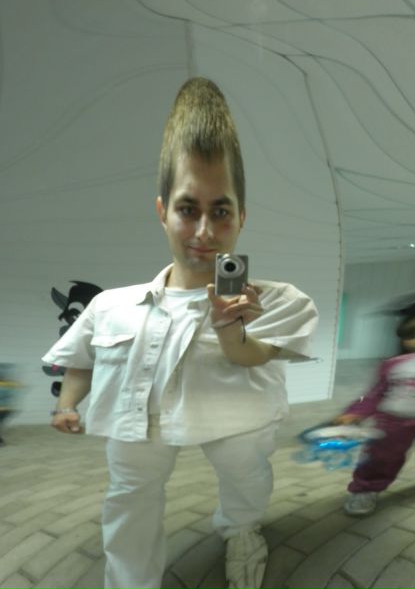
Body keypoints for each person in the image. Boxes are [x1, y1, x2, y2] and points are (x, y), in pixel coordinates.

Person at [42, 77, 318, 589]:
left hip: (237, 419)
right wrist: (66, 405)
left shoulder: (278, 300)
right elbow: (82, 358)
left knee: (246, 479)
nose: (204, 232)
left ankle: (241, 531)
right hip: (138, 424)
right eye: (188, 209)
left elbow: (255, 356)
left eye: (221, 211)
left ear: (241, 217)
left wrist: (232, 330)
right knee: (129, 498)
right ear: (162, 211)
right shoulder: (111, 305)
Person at [335, 296, 415, 516]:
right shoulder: (396, 364)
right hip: (395, 420)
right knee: (381, 456)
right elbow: (376, 392)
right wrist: (356, 411)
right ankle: (366, 489)